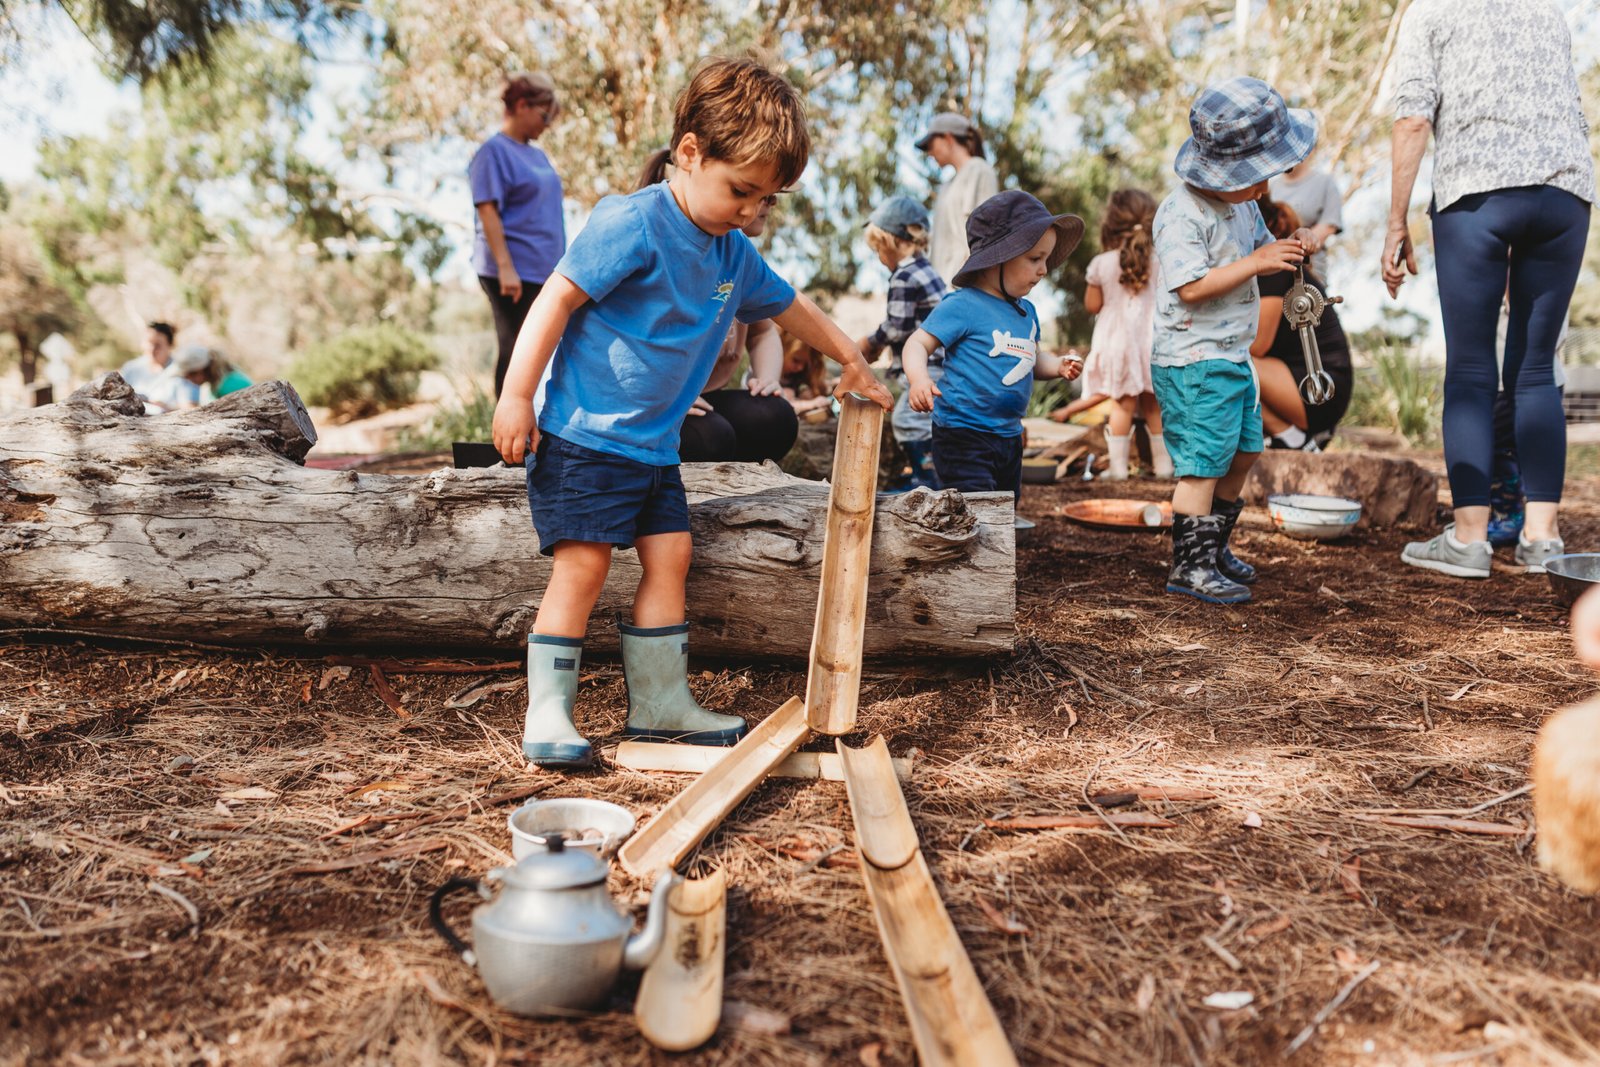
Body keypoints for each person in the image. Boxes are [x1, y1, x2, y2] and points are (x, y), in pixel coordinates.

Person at [490, 58, 893, 768]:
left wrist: (850, 358)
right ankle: (548, 710)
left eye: (766, 200)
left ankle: (658, 702)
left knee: (671, 556)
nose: (751, 211)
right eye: (742, 190)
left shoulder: (733, 254)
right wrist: (517, 393)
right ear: (689, 153)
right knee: (581, 567)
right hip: (585, 437)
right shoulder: (633, 222)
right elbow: (554, 297)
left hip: (653, 448)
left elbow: (791, 305)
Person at [1385, 0, 1594, 579]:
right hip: (1565, 193)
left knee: (1472, 370)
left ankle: (1470, 540)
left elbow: (1411, 119)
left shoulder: (1429, 12)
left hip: (1476, 192)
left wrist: (1396, 221)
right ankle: (1543, 538)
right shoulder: (1546, 11)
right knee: (1533, 368)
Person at [1152, 77, 1315, 605]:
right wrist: (1256, 263)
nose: (1263, 190)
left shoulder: (1242, 205)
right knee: (1203, 463)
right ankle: (1189, 565)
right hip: (1193, 360)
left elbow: (1265, 246)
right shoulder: (1181, 215)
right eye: (1254, 178)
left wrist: (1292, 245)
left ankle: (1213, 547)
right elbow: (1191, 287)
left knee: (1244, 451)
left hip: (1232, 355)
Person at [901, 190, 1085, 502]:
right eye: (1034, 259)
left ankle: (993, 550)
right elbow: (917, 343)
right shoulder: (963, 305)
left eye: (1046, 260)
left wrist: (1056, 366)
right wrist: (919, 379)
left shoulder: (1027, 312)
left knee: (1003, 506)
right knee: (975, 508)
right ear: (998, 257)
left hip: (1009, 435)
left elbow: (1030, 358)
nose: (1044, 270)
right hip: (963, 433)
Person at [635, 148, 799, 464]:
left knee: (775, 418)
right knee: (713, 437)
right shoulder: (677, 248)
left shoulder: (742, 259)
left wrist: (767, 377)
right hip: (650, 398)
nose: (768, 205)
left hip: (705, 397)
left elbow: (767, 328)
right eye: (759, 194)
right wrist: (667, 395)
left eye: (772, 196)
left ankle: (735, 490)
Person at [471, 71, 566, 398]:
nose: (547, 124)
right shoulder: (493, 152)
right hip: (511, 272)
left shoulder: (538, 155)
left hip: (544, 270)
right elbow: (487, 211)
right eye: (544, 115)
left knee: (545, 355)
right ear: (522, 105)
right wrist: (505, 268)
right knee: (517, 352)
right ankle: (506, 440)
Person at [858, 194, 947, 489]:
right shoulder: (928, 270)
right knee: (927, 417)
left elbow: (897, 327)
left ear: (892, 242)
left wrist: (870, 343)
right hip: (942, 363)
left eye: (878, 250)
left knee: (912, 419)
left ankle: (927, 477)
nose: (879, 258)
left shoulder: (904, 276)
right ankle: (926, 471)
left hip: (927, 364)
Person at [1252, 194, 1353, 451]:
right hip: (1304, 384)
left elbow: (1257, 348)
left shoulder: (1275, 268)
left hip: (1319, 388)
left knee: (1228, 362)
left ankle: (1291, 437)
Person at [1083, 188, 1171, 480]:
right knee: (1153, 404)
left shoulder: (1102, 263)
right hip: (1153, 342)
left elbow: (1092, 304)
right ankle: (1163, 466)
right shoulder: (1161, 260)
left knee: (1122, 403)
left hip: (1118, 344)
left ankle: (1118, 469)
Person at [916, 112, 999, 284]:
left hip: (964, 287)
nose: (929, 153)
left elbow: (987, 232)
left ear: (948, 138)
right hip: (941, 288)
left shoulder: (979, 170)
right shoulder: (946, 186)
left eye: (931, 144)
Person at [1269, 149, 1342, 278]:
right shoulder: (1269, 188)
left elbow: (1328, 227)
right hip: (1273, 270)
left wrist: (1300, 244)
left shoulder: (1325, 183)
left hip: (1310, 272)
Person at [119, 321, 175, 400]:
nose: (152, 349)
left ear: (169, 346)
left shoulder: (180, 370)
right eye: (149, 343)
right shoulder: (131, 368)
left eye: (158, 345)